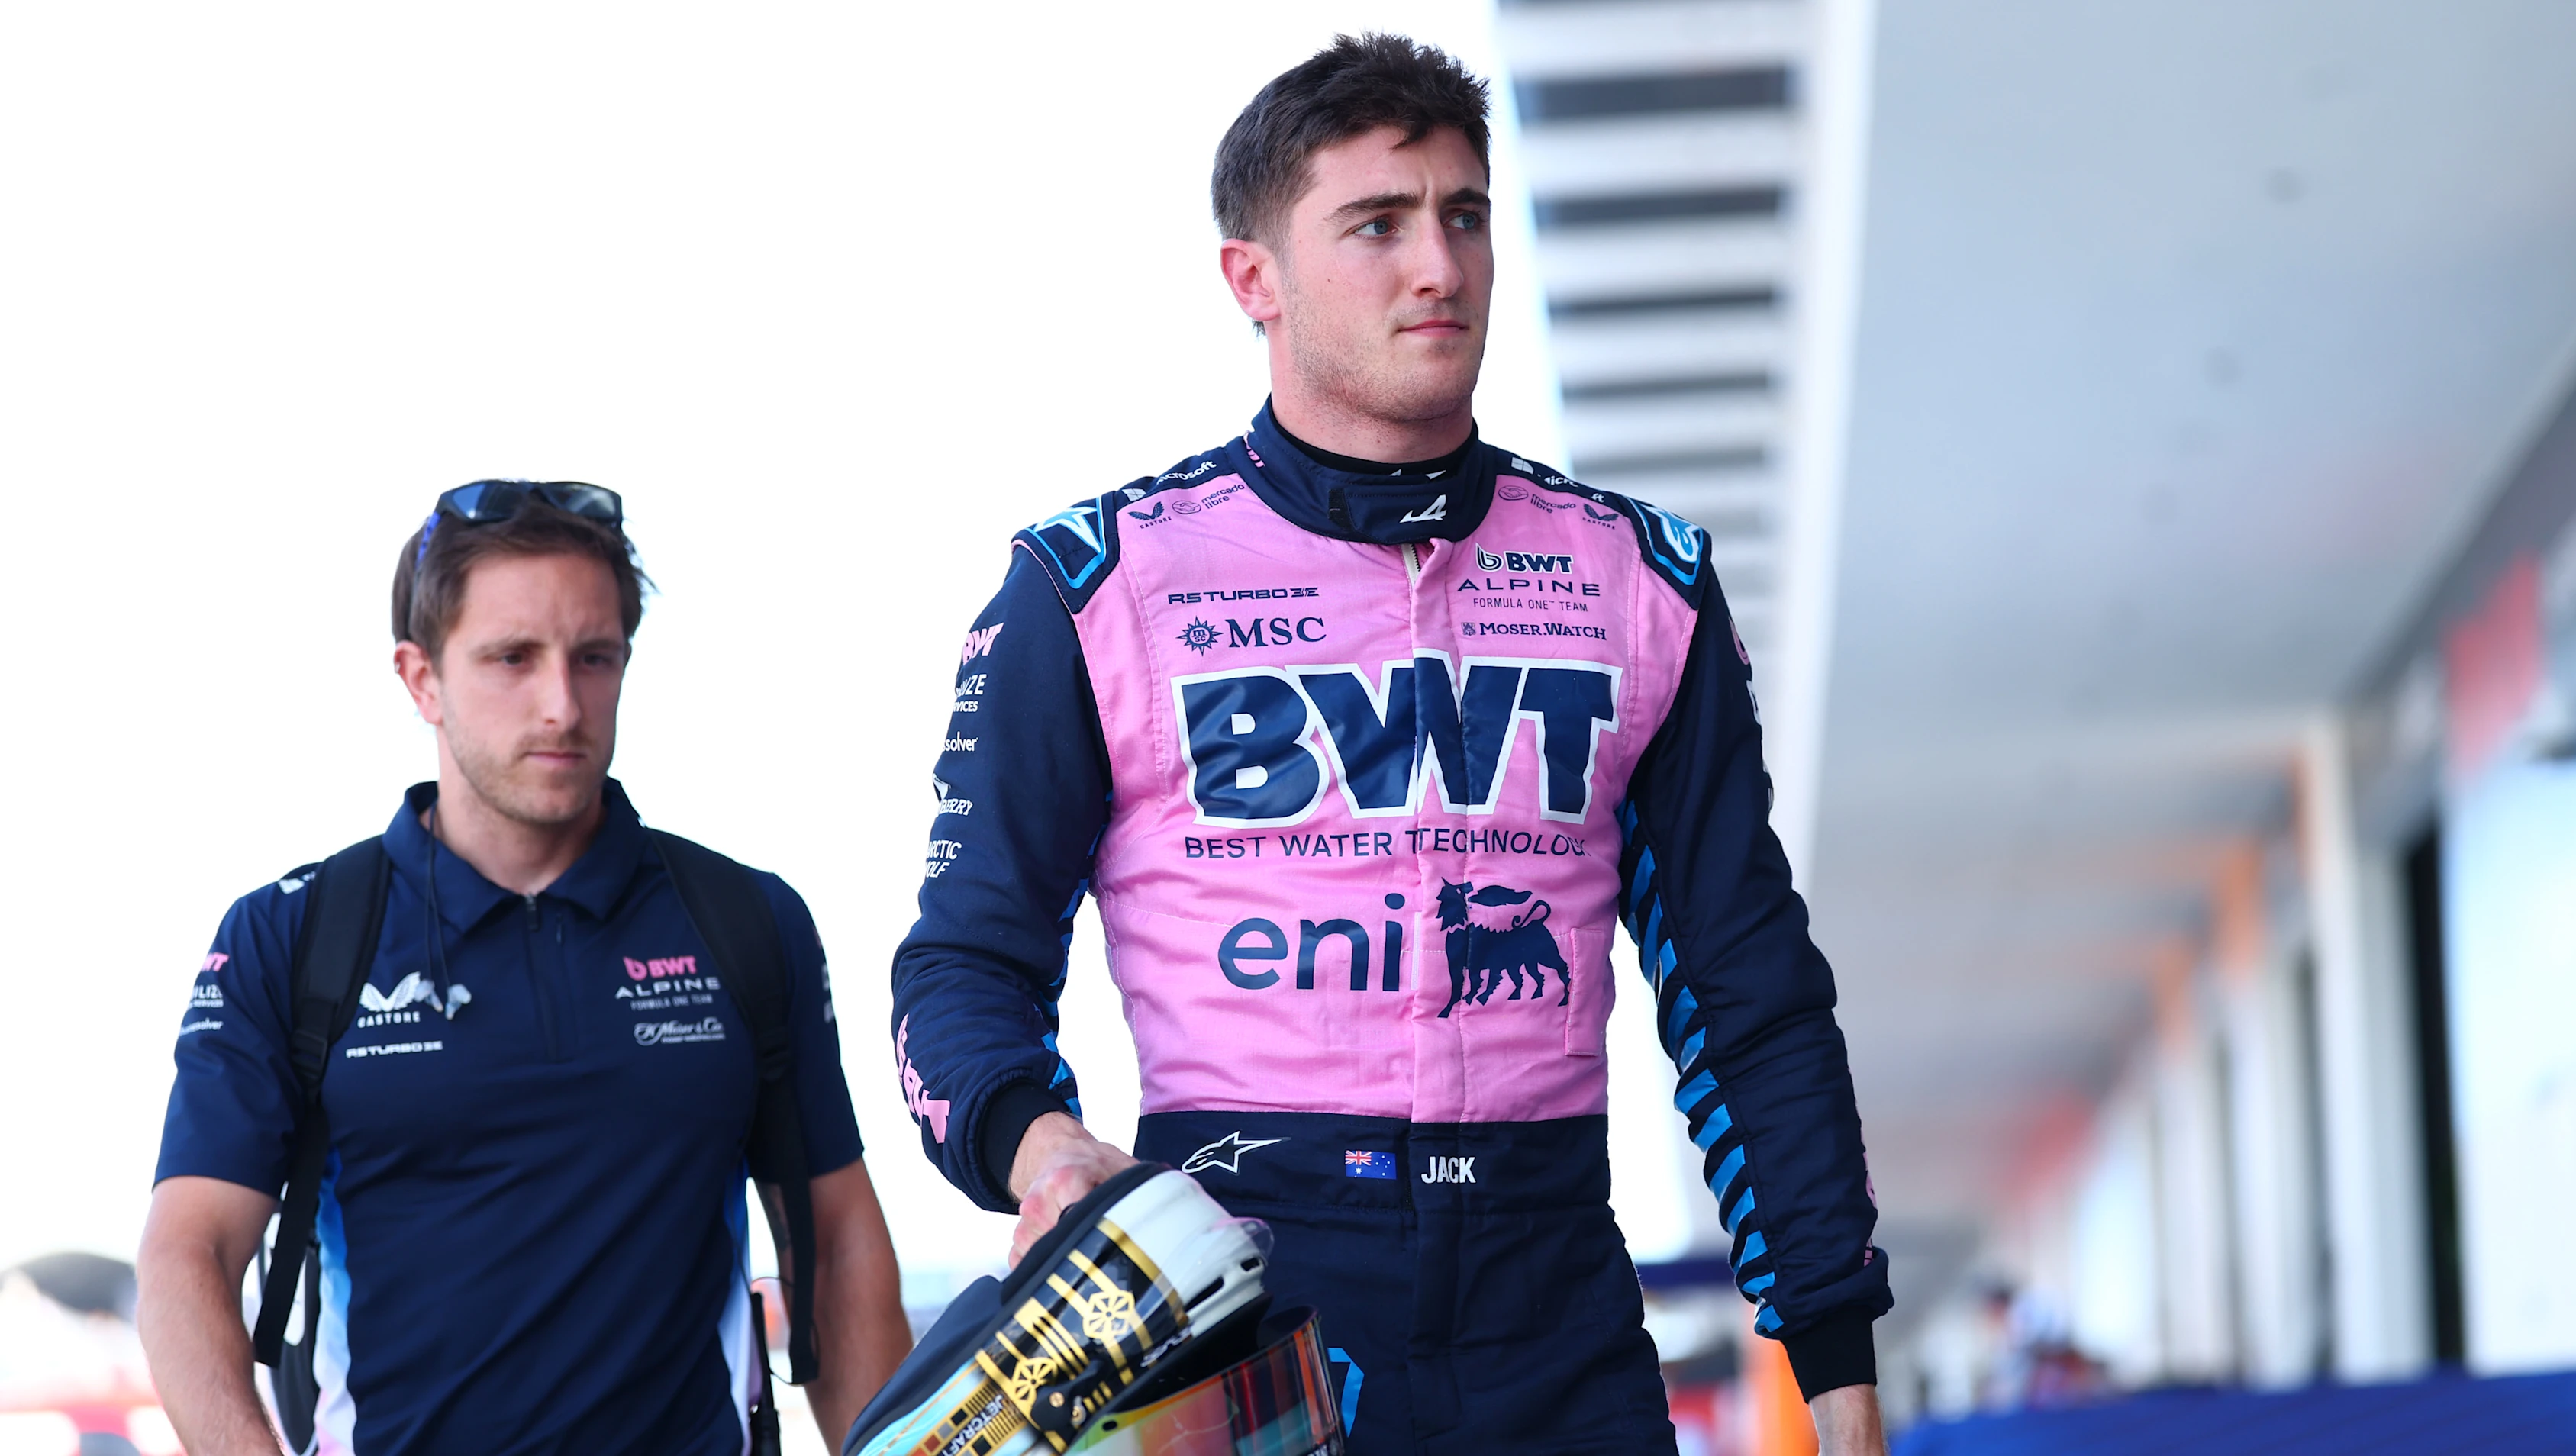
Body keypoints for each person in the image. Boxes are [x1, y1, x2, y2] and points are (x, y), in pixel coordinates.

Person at [890, 34, 1891, 1455]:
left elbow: (1752, 1001)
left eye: (1463, 214)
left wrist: (1840, 1378)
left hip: (1555, 1303)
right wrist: (1035, 1143)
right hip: (1240, 1293)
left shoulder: (1641, 579)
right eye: (1377, 223)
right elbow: (959, 966)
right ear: (1255, 280)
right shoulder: (1091, 582)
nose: (1440, 265)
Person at [137, 484, 911, 1455]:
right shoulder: (293, 939)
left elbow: (834, 1244)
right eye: (512, 658)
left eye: (595, 659)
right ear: (421, 679)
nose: (562, 704)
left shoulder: (745, 921)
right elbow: (187, 1256)